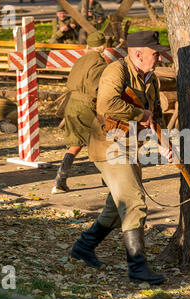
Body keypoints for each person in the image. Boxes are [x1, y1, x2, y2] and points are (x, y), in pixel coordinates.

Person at [70, 31, 171, 285]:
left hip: (128, 145)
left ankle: (83, 247)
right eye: (155, 53)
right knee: (134, 203)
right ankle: (137, 267)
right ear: (138, 54)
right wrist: (140, 113)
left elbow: (153, 115)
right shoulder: (116, 71)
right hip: (108, 145)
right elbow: (106, 106)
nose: (159, 58)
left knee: (116, 209)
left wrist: (163, 143)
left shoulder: (151, 79)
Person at [52, 32, 108, 194]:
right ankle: (108, 179)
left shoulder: (80, 60)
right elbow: (97, 89)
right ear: (103, 47)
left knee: (75, 144)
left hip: (71, 103)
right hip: (86, 106)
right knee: (102, 141)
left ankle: (59, 181)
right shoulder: (99, 63)